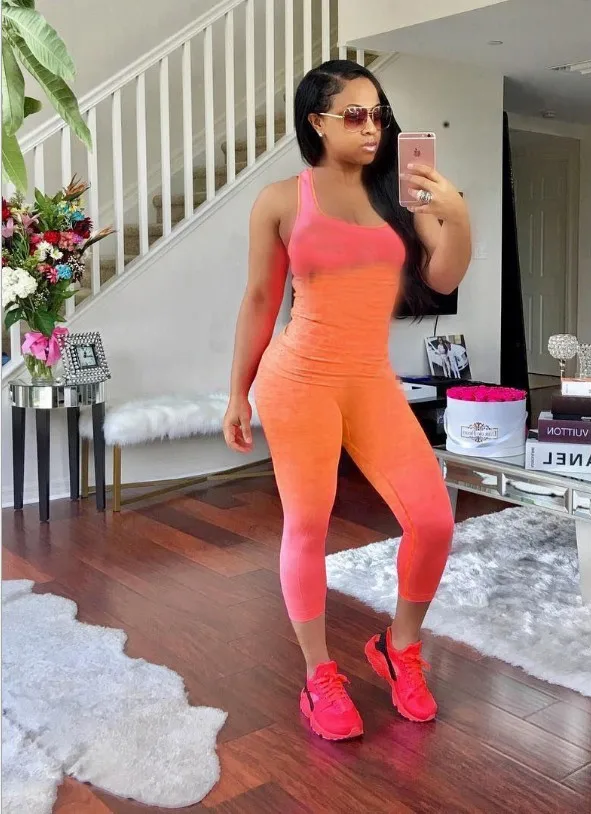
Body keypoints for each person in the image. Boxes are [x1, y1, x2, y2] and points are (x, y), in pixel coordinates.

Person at [223, 60, 472, 741]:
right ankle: (318, 676)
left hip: (369, 380)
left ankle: (399, 648)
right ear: (317, 121)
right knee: (308, 524)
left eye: (378, 115)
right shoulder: (281, 200)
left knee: (433, 520)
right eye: (354, 115)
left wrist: (455, 215)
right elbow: (260, 299)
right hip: (297, 379)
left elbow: (444, 274)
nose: (372, 128)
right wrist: (237, 392)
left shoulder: (400, 194)